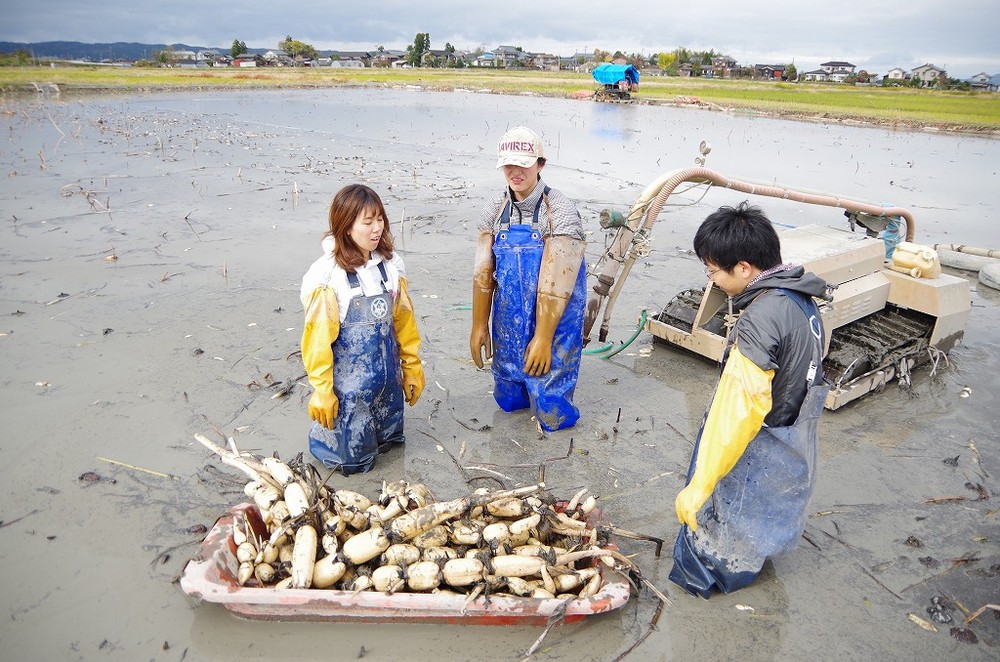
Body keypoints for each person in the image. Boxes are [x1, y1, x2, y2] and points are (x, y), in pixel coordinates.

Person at [669, 201, 831, 598]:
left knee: (710, 558)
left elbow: (736, 417)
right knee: (758, 530)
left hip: (762, 449)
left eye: (712, 271)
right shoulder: (801, 299)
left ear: (743, 268)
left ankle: (711, 585)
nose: (711, 279)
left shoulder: (762, 318)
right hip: (793, 444)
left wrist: (700, 486)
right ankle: (754, 556)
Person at [300, 184, 424, 475]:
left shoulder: (391, 266)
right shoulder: (327, 276)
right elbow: (317, 340)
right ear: (345, 227)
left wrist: (412, 365)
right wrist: (322, 390)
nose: (376, 228)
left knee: (389, 450)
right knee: (352, 464)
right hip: (349, 393)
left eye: (379, 219)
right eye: (367, 223)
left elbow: (403, 322)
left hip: (387, 384)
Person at [469, 126, 587, 433]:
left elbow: (556, 283)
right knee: (509, 400)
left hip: (555, 316)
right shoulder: (494, 210)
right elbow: (483, 274)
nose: (515, 171)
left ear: (540, 164)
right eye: (508, 164)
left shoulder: (558, 210)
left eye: (523, 164)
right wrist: (479, 326)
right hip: (510, 317)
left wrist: (544, 337)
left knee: (550, 410)